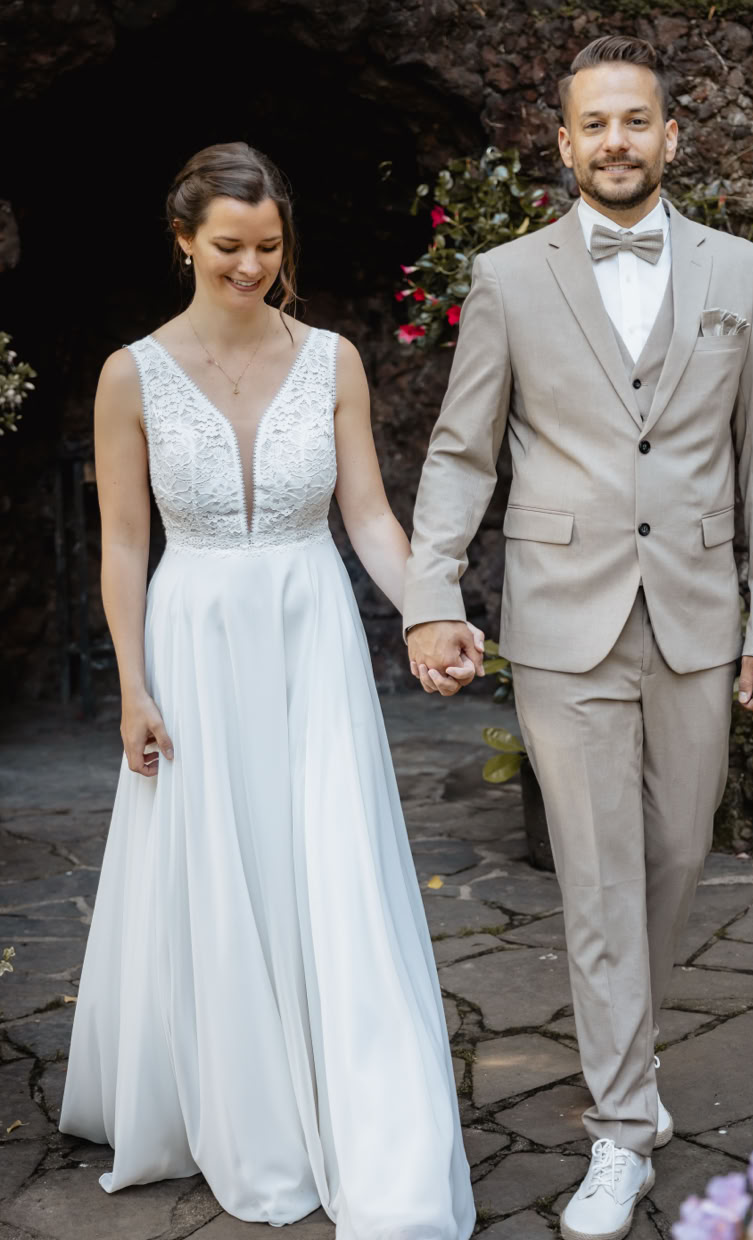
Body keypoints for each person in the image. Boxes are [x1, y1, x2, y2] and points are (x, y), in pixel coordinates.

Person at [404, 36, 753, 1240]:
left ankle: (630, 1059)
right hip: (561, 617)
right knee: (595, 877)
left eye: (637, 121)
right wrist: (431, 591)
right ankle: (622, 1129)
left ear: (670, 136)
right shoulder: (505, 277)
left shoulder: (739, 270)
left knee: (674, 858)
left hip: (697, 614)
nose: (616, 141)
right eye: (596, 124)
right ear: (564, 143)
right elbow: (462, 450)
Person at [59, 141, 477, 1239]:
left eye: (269, 246)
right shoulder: (129, 374)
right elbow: (122, 544)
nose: (251, 267)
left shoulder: (333, 359)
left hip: (310, 637)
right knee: (217, 866)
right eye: (228, 247)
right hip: (192, 639)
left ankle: (360, 1104)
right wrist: (133, 686)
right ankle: (244, 1106)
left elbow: (369, 517)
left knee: (330, 863)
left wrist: (427, 611)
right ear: (184, 241)